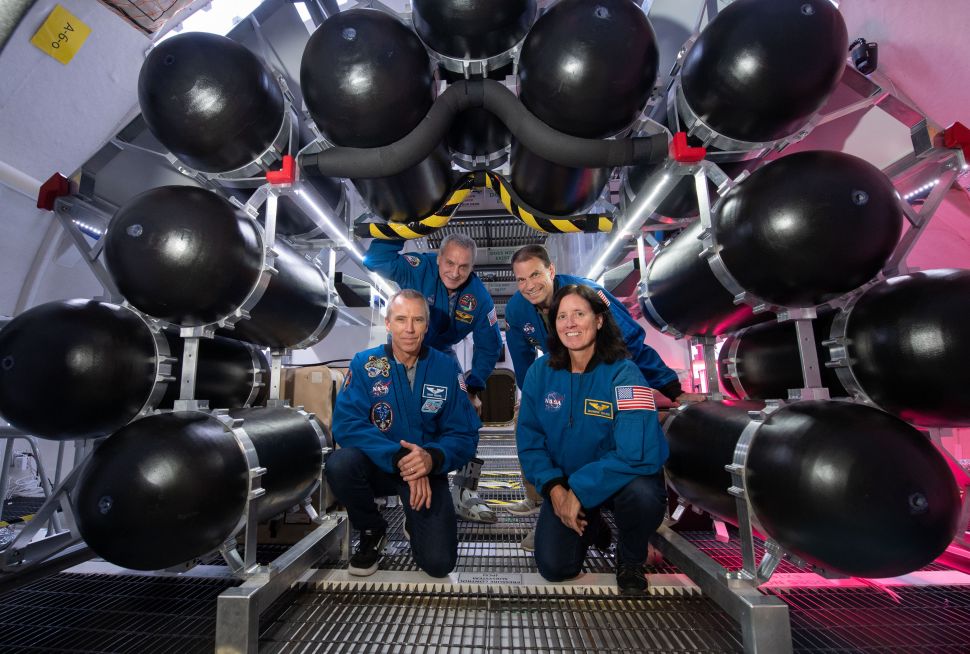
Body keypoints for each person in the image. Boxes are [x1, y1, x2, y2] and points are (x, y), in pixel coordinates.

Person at [504, 245, 695, 530]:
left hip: (600, 376)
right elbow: (522, 361)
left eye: (535, 275)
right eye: (521, 280)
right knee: (526, 422)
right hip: (562, 380)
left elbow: (631, 342)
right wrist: (533, 400)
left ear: (551, 270)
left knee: (610, 438)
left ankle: (608, 506)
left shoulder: (587, 292)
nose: (529, 286)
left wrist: (672, 389)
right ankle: (544, 502)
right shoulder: (516, 310)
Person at [516, 284, 668, 594]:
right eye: (562, 316)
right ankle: (594, 527)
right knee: (555, 568)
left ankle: (630, 560)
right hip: (567, 483)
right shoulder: (539, 373)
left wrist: (581, 490)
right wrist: (554, 489)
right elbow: (530, 441)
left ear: (598, 320)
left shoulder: (625, 374)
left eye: (579, 314)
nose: (570, 324)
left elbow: (636, 454)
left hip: (619, 483)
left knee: (643, 494)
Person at [327, 289, 481, 577]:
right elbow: (347, 424)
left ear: (427, 325)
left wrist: (432, 458)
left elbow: (465, 433)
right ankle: (372, 528)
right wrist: (399, 457)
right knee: (339, 464)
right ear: (388, 324)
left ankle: (414, 520)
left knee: (439, 564)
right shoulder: (365, 364)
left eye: (417, 320)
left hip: (427, 470)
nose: (409, 329)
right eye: (400, 319)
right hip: (380, 467)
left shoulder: (445, 367)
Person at [364, 234, 502, 523]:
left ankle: (464, 492)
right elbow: (375, 260)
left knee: (469, 413)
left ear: (472, 267)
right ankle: (383, 480)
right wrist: (401, 228)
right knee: (384, 405)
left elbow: (490, 345)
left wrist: (474, 387)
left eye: (464, 267)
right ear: (438, 258)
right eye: (449, 263)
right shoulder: (419, 267)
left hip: (440, 353)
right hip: (402, 346)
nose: (455, 272)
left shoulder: (479, 297)